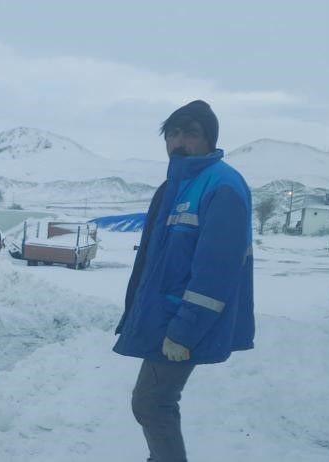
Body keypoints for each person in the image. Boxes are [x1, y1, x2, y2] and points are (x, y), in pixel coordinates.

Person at [113, 100, 255, 461]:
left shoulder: (221, 186)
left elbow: (217, 273)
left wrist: (184, 331)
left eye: (190, 133)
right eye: (172, 133)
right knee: (154, 403)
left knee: (150, 403)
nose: (178, 141)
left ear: (209, 140)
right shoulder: (177, 185)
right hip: (166, 318)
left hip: (182, 323)